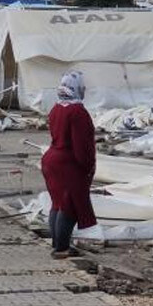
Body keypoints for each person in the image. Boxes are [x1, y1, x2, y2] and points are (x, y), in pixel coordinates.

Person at [40, 71, 96, 259]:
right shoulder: (77, 112)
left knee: (57, 203)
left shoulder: (56, 109)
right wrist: (88, 166)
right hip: (67, 164)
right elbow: (82, 145)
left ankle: (58, 244)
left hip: (51, 160)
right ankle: (62, 248)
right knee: (69, 205)